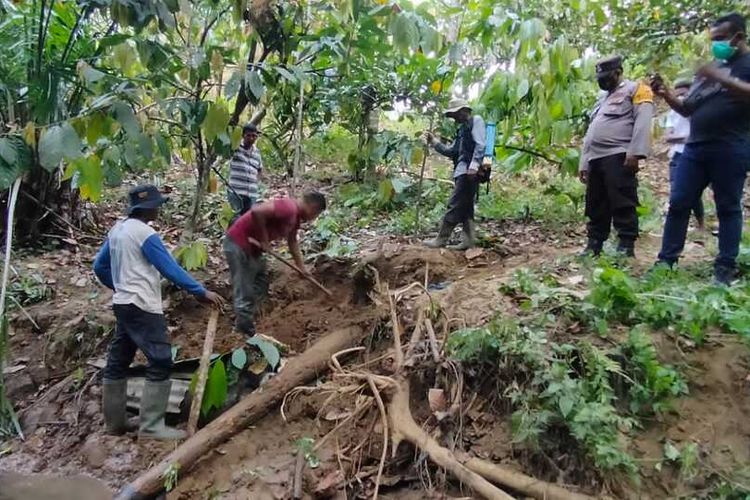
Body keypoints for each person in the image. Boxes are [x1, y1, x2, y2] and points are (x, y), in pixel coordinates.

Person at [93, 185, 224, 440]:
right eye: (156, 205)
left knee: (119, 360)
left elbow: (99, 266)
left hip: (123, 303)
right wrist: (200, 291)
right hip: (142, 304)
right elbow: (168, 267)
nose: (158, 209)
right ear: (147, 208)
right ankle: (152, 426)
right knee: (161, 359)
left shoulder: (118, 230)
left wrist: (119, 285)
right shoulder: (145, 233)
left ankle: (115, 423)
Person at [652, 13, 750, 284]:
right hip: (695, 148)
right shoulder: (713, 67)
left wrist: (723, 78)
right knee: (679, 202)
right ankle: (666, 261)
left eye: (720, 39)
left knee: (728, 207)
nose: (716, 45)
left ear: (738, 37)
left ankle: (725, 268)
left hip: (731, 146)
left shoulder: (745, 64)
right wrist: (666, 94)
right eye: (713, 40)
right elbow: (687, 108)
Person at [578, 55, 655, 258]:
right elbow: (591, 133)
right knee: (595, 203)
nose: (602, 80)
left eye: (606, 76)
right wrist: (584, 162)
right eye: (599, 77)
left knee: (622, 200)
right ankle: (594, 245)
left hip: (618, 154)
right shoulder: (601, 99)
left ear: (618, 72)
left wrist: (635, 153)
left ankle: (626, 245)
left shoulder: (637, 89)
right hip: (596, 157)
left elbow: (643, 121)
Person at [223, 192, 326, 337]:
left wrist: (302, 268)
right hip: (238, 244)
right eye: (315, 215)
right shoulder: (288, 208)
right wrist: (264, 240)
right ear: (313, 208)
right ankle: (244, 332)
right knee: (244, 288)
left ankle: (258, 317)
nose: (313, 219)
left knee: (261, 280)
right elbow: (256, 211)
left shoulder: (295, 218)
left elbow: (292, 242)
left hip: (252, 249)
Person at [424, 98, 486, 250]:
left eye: (455, 114)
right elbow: (452, 151)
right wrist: (434, 142)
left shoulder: (476, 121)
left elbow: (481, 144)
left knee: (455, 203)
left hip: (469, 171)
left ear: (464, 111)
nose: (454, 118)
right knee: (466, 206)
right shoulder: (463, 130)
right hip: (463, 170)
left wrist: (474, 165)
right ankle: (469, 241)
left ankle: (441, 239)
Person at [664, 80, 705, 230]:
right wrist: (687, 138)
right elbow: (667, 137)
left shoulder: (698, 109)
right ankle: (679, 225)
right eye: (678, 94)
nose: (681, 97)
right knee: (677, 190)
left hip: (696, 154)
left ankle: (701, 223)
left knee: (694, 193)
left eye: (684, 93)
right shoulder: (672, 113)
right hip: (677, 155)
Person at [227, 123, 263, 216]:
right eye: (248, 135)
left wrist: (256, 182)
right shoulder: (235, 148)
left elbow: (260, 169)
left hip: (251, 194)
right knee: (234, 219)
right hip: (236, 191)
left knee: (248, 221)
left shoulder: (257, 152)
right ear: (243, 136)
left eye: (254, 136)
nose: (251, 138)